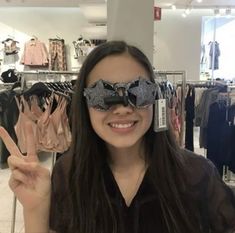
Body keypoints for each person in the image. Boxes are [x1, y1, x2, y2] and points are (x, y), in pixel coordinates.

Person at [1, 40, 235, 233]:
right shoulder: (68, 175)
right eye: (103, 94)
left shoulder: (197, 175)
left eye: (138, 91)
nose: (122, 108)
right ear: (85, 104)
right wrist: (36, 210)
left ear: (155, 98)